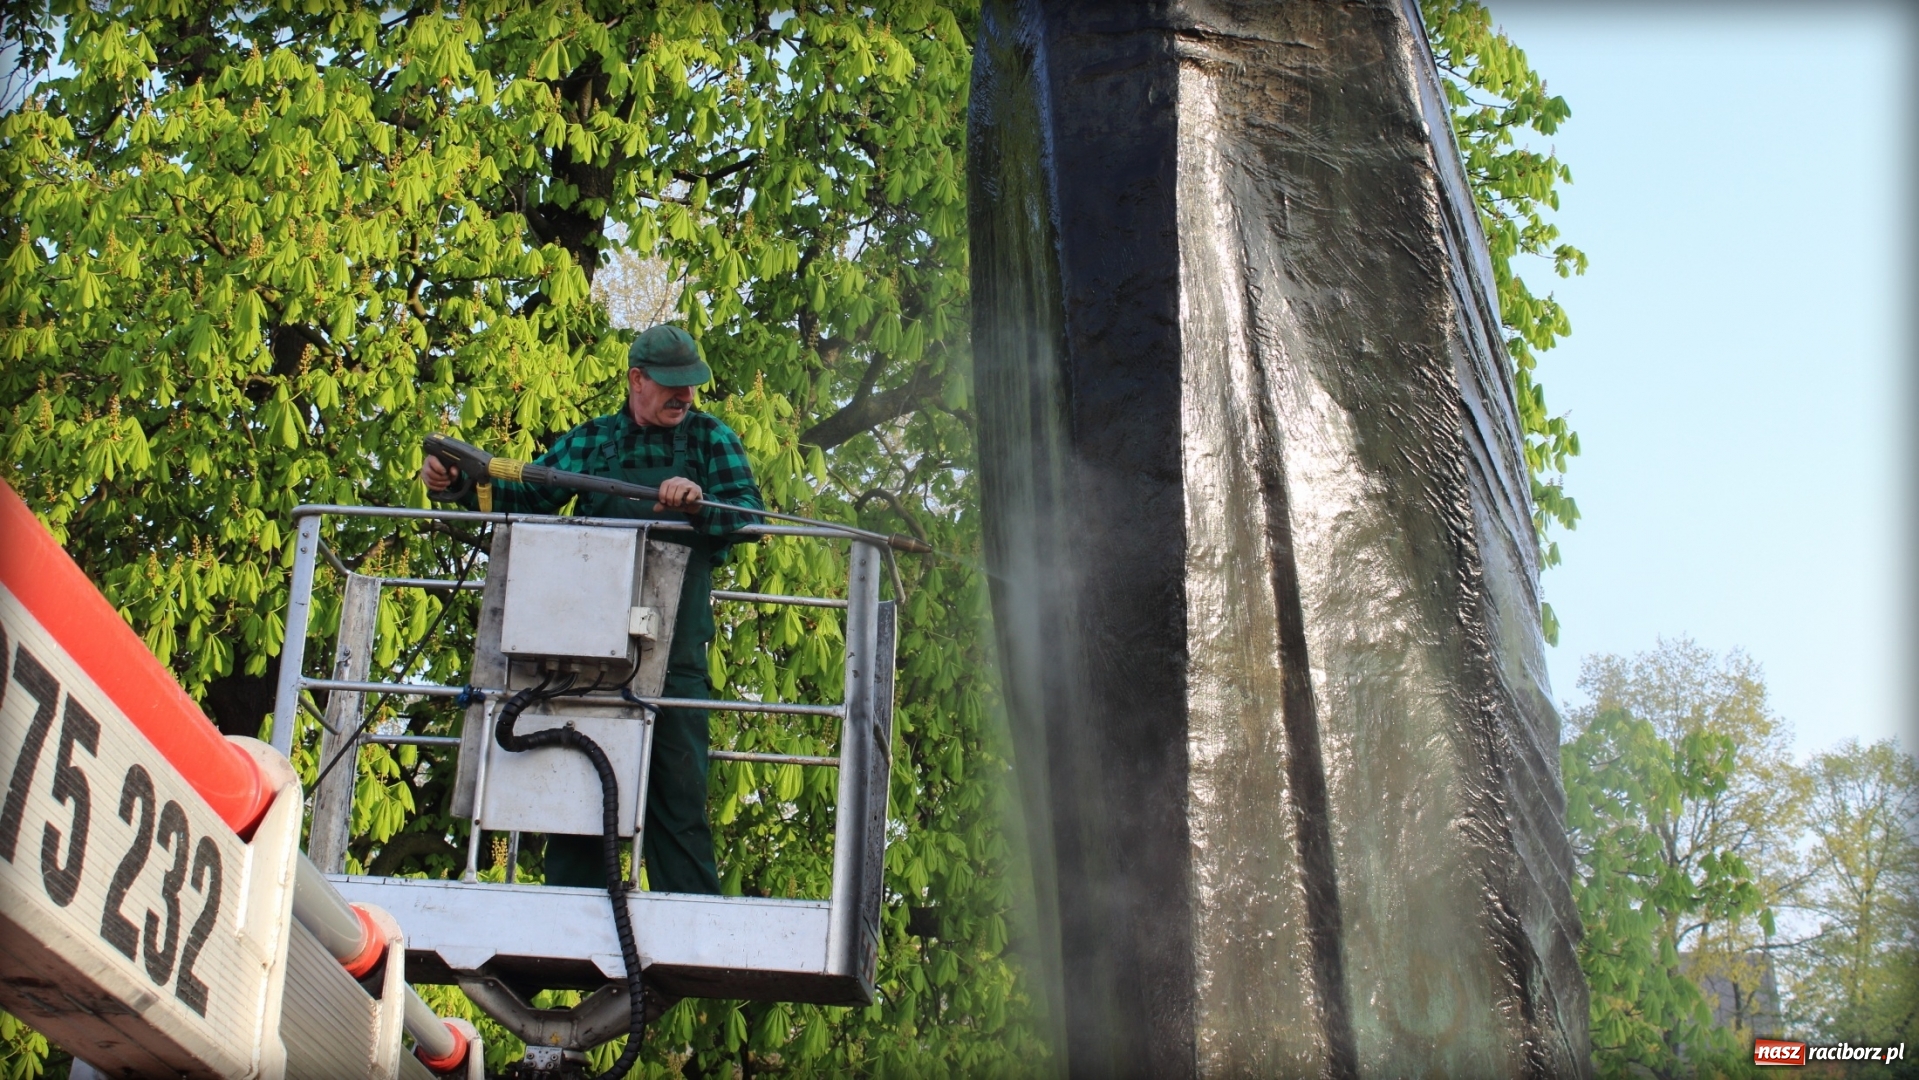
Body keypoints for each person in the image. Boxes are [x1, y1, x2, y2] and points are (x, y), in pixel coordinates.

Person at [422, 324, 762, 894]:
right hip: (584, 657)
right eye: (671, 385)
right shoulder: (594, 441)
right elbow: (525, 495)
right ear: (636, 379)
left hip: (673, 652)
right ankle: (570, 911)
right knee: (579, 787)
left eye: (691, 387)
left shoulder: (710, 440)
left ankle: (692, 918)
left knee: (677, 794)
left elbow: (751, 518)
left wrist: (701, 503)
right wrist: (455, 481)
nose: (685, 397)